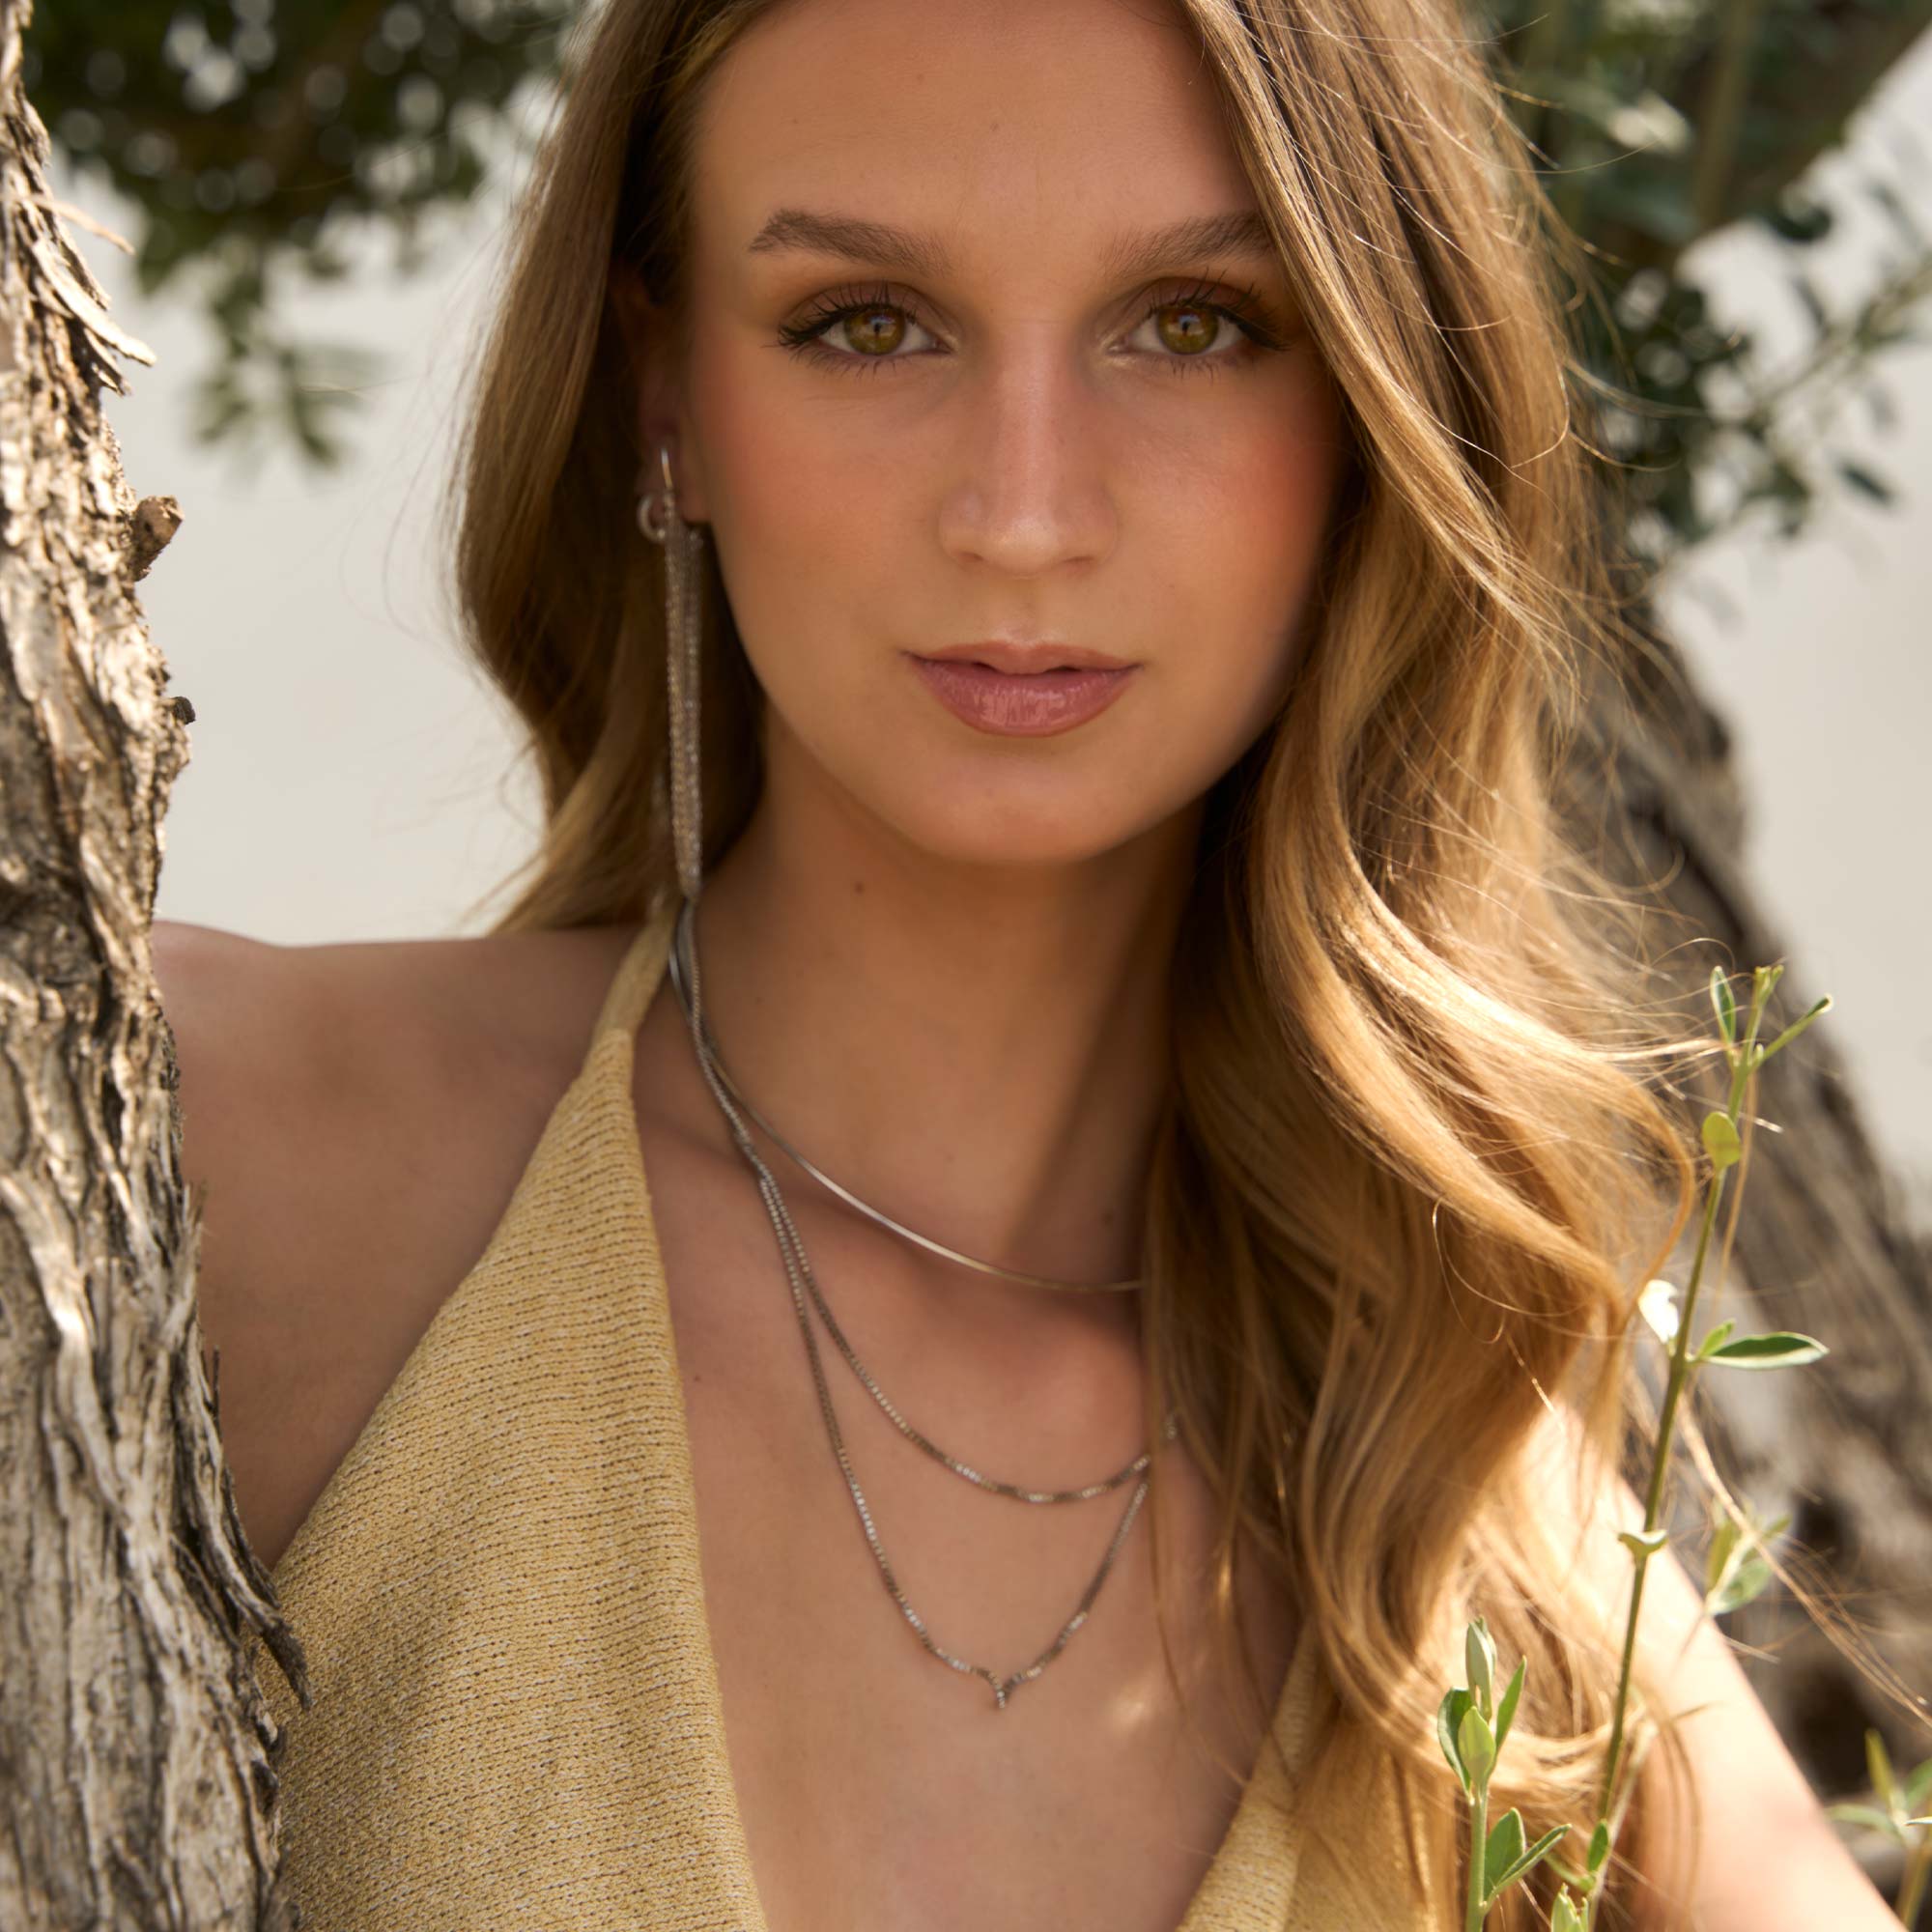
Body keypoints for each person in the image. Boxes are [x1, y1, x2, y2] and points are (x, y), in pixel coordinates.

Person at [156, 0, 1906, 1926]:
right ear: (665, 396)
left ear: (1372, 412)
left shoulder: (1446, 1485)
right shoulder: (228, 1162)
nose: (1022, 515)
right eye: (866, 325)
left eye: (1193, 326)